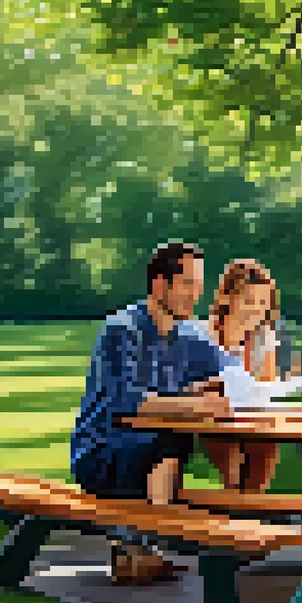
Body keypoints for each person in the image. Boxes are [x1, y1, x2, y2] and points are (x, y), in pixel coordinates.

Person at [69, 241, 235, 585]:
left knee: (177, 441)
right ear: (160, 285)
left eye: (198, 286)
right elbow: (127, 401)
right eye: (187, 284)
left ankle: (141, 548)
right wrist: (194, 405)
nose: (195, 295)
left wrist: (217, 386)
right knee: (171, 440)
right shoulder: (122, 330)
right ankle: (152, 543)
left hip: (151, 449)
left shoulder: (190, 334)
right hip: (101, 451)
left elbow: (234, 373)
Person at [199, 259, 284, 492]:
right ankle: (235, 498)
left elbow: (266, 386)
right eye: (248, 301)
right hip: (213, 417)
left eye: (263, 302)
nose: (256, 309)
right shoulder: (205, 333)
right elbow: (193, 385)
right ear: (227, 298)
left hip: (249, 415)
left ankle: (247, 505)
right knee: (232, 458)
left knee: (265, 448)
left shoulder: (262, 336)